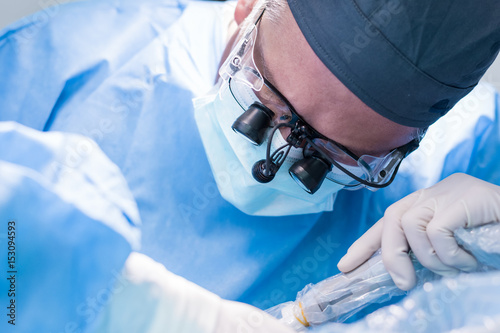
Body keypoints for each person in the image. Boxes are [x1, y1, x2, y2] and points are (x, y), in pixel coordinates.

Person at [0, 0, 499, 331]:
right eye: (263, 107)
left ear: (408, 145)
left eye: (327, 160)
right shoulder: (69, 60)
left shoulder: (456, 171)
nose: (273, 162)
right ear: (247, 7)